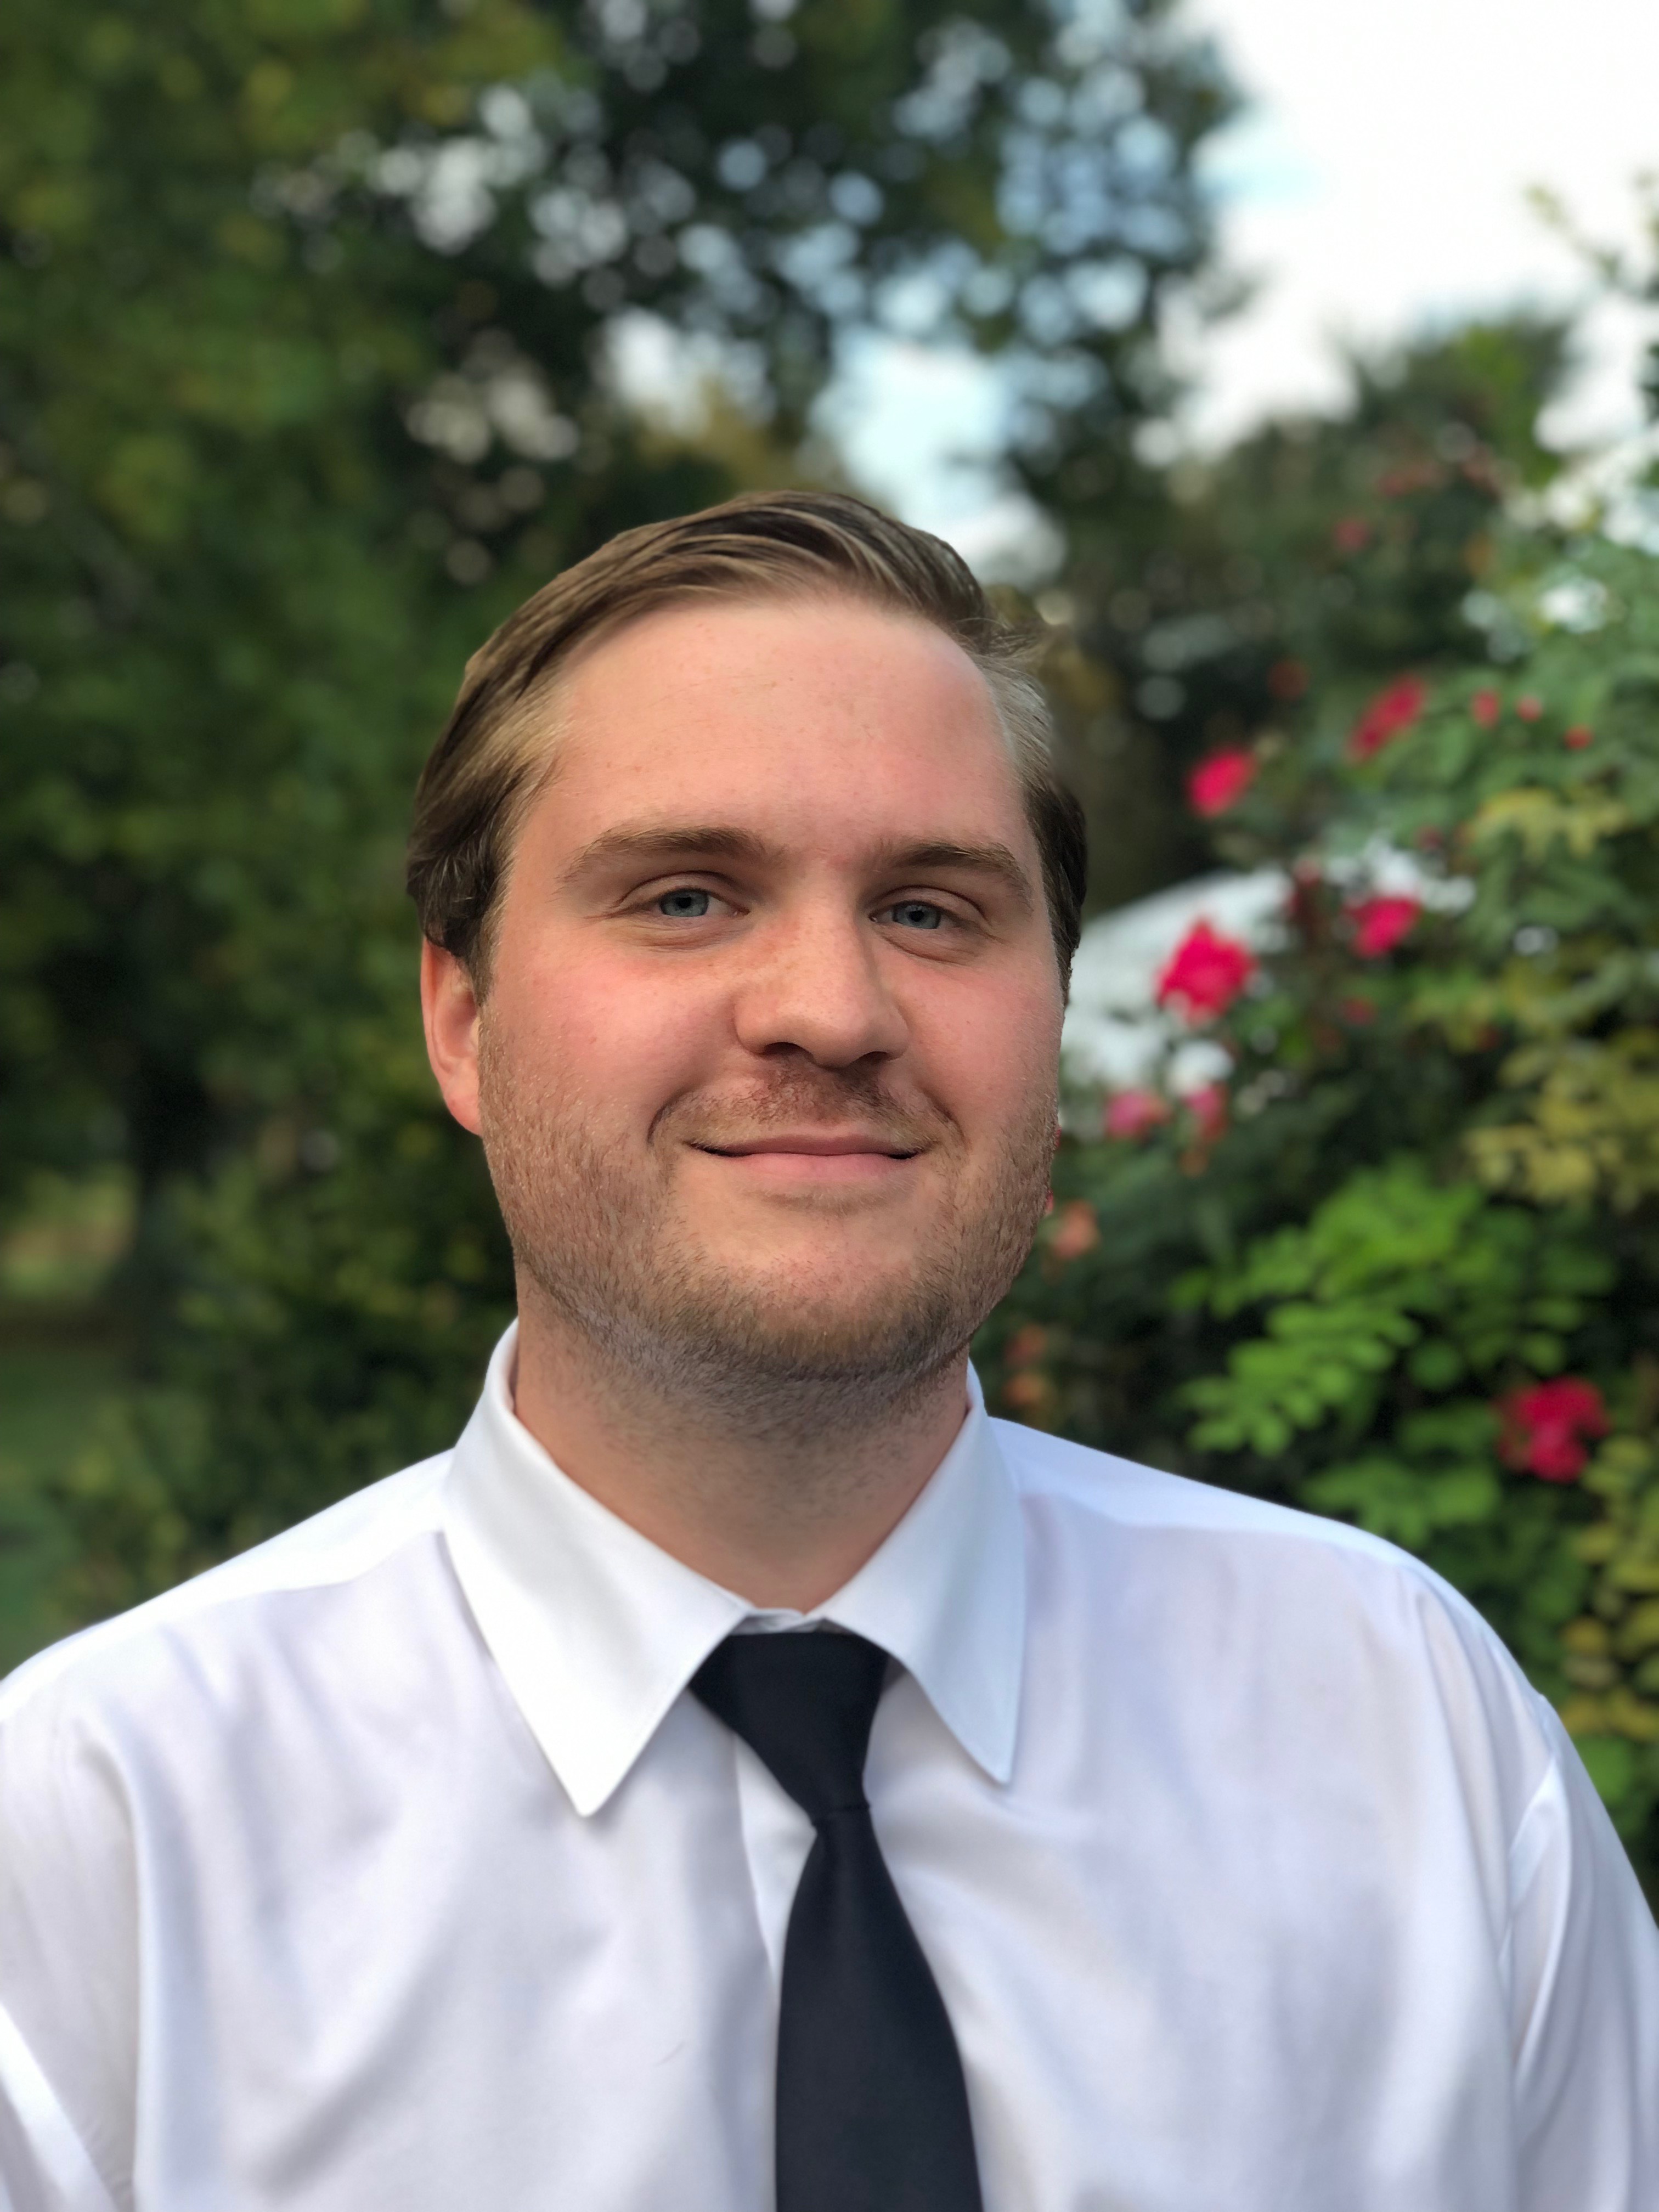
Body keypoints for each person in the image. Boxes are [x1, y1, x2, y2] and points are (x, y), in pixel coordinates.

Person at [1, 490, 1655, 2212]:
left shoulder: (1407, 1733)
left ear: (1056, 1019)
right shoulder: (103, 1843)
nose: (835, 1010)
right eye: (690, 896)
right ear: (464, 1018)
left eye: (935, 912)